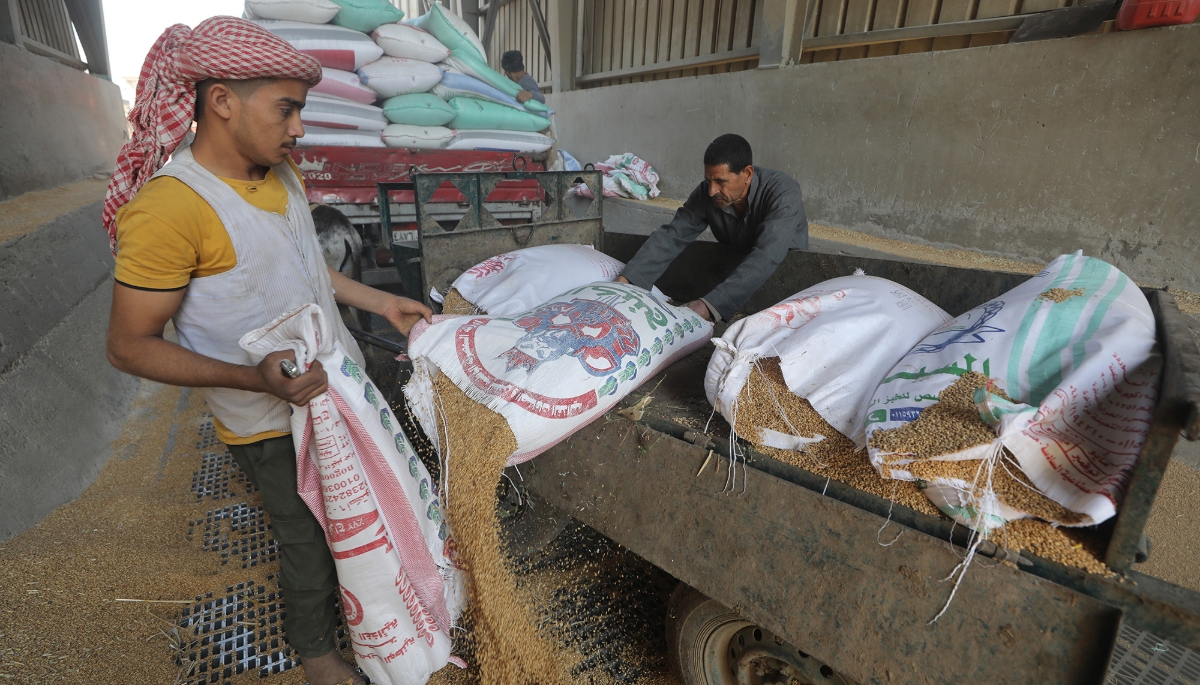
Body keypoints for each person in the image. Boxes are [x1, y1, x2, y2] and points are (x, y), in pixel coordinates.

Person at [102, 18, 431, 685]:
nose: (299, 129)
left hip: (336, 392)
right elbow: (128, 347)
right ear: (222, 101)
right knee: (306, 536)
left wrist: (378, 303)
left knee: (361, 511)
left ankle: (382, 612)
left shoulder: (281, 175)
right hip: (267, 421)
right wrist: (251, 378)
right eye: (288, 108)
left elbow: (304, 265)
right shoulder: (172, 210)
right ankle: (318, 657)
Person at [616, 134, 809, 324]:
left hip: (782, 284)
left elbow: (767, 255)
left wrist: (709, 306)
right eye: (709, 181)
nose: (712, 190)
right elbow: (672, 236)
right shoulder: (706, 194)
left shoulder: (783, 192)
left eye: (721, 182)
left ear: (747, 174)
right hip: (733, 279)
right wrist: (626, 282)